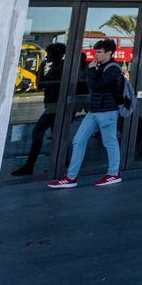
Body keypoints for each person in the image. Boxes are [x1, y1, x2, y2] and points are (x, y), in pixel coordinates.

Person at [47, 39, 125, 189]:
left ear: (109, 53)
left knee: (110, 142)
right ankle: (71, 177)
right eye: (96, 52)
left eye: (100, 52)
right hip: (95, 111)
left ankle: (113, 174)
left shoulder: (113, 69)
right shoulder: (102, 67)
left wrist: (91, 69)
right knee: (78, 140)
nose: (96, 55)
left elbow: (97, 86)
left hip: (107, 112)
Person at [12, 43, 67, 176]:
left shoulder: (59, 69)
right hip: (53, 105)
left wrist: (41, 69)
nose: (47, 56)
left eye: (49, 54)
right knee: (57, 137)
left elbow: (41, 84)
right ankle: (61, 164)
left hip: (54, 106)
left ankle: (31, 165)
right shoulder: (57, 67)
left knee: (38, 132)